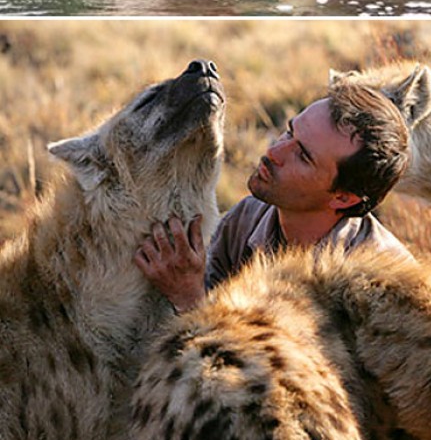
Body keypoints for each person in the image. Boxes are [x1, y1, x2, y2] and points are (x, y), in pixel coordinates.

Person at [134, 74, 410, 312]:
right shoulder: (247, 218)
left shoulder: (382, 282)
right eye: (289, 132)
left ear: (344, 198)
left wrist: (188, 299)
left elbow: (296, 372)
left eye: (303, 156)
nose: (273, 152)